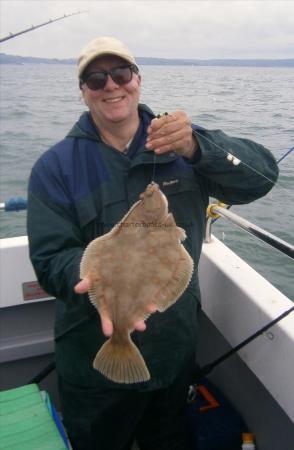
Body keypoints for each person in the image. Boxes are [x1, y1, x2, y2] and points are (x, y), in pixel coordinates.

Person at [27, 36, 279, 450]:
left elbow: (262, 177)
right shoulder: (55, 168)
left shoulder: (182, 143)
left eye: (120, 73)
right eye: (95, 78)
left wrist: (201, 148)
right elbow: (51, 259)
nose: (110, 85)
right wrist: (97, 277)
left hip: (174, 355)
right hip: (92, 366)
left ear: (137, 80)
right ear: (83, 91)